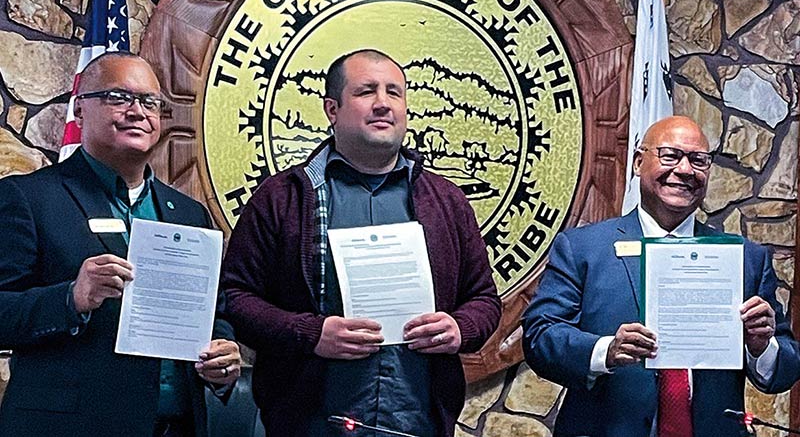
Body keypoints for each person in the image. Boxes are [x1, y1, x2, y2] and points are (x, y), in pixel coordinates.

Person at [222, 49, 501, 436]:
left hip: (418, 422)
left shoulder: (446, 201)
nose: (383, 104)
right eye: (366, 91)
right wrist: (312, 334)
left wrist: (460, 327)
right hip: (310, 424)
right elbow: (236, 298)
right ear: (332, 109)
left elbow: (485, 300)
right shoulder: (282, 197)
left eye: (394, 92)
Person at [0, 52, 242, 437]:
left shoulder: (189, 214)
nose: (137, 111)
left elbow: (215, 314)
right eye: (118, 97)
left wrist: (223, 356)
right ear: (80, 109)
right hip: (68, 427)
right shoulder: (26, 198)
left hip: (176, 427)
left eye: (150, 102)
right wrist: (70, 298)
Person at [522, 115, 800, 436]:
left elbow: (784, 369)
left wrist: (761, 346)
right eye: (670, 155)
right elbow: (540, 337)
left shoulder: (745, 258)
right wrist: (606, 350)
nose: (684, 170)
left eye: (699, 160)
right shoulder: (582, 249)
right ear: (639, 162)